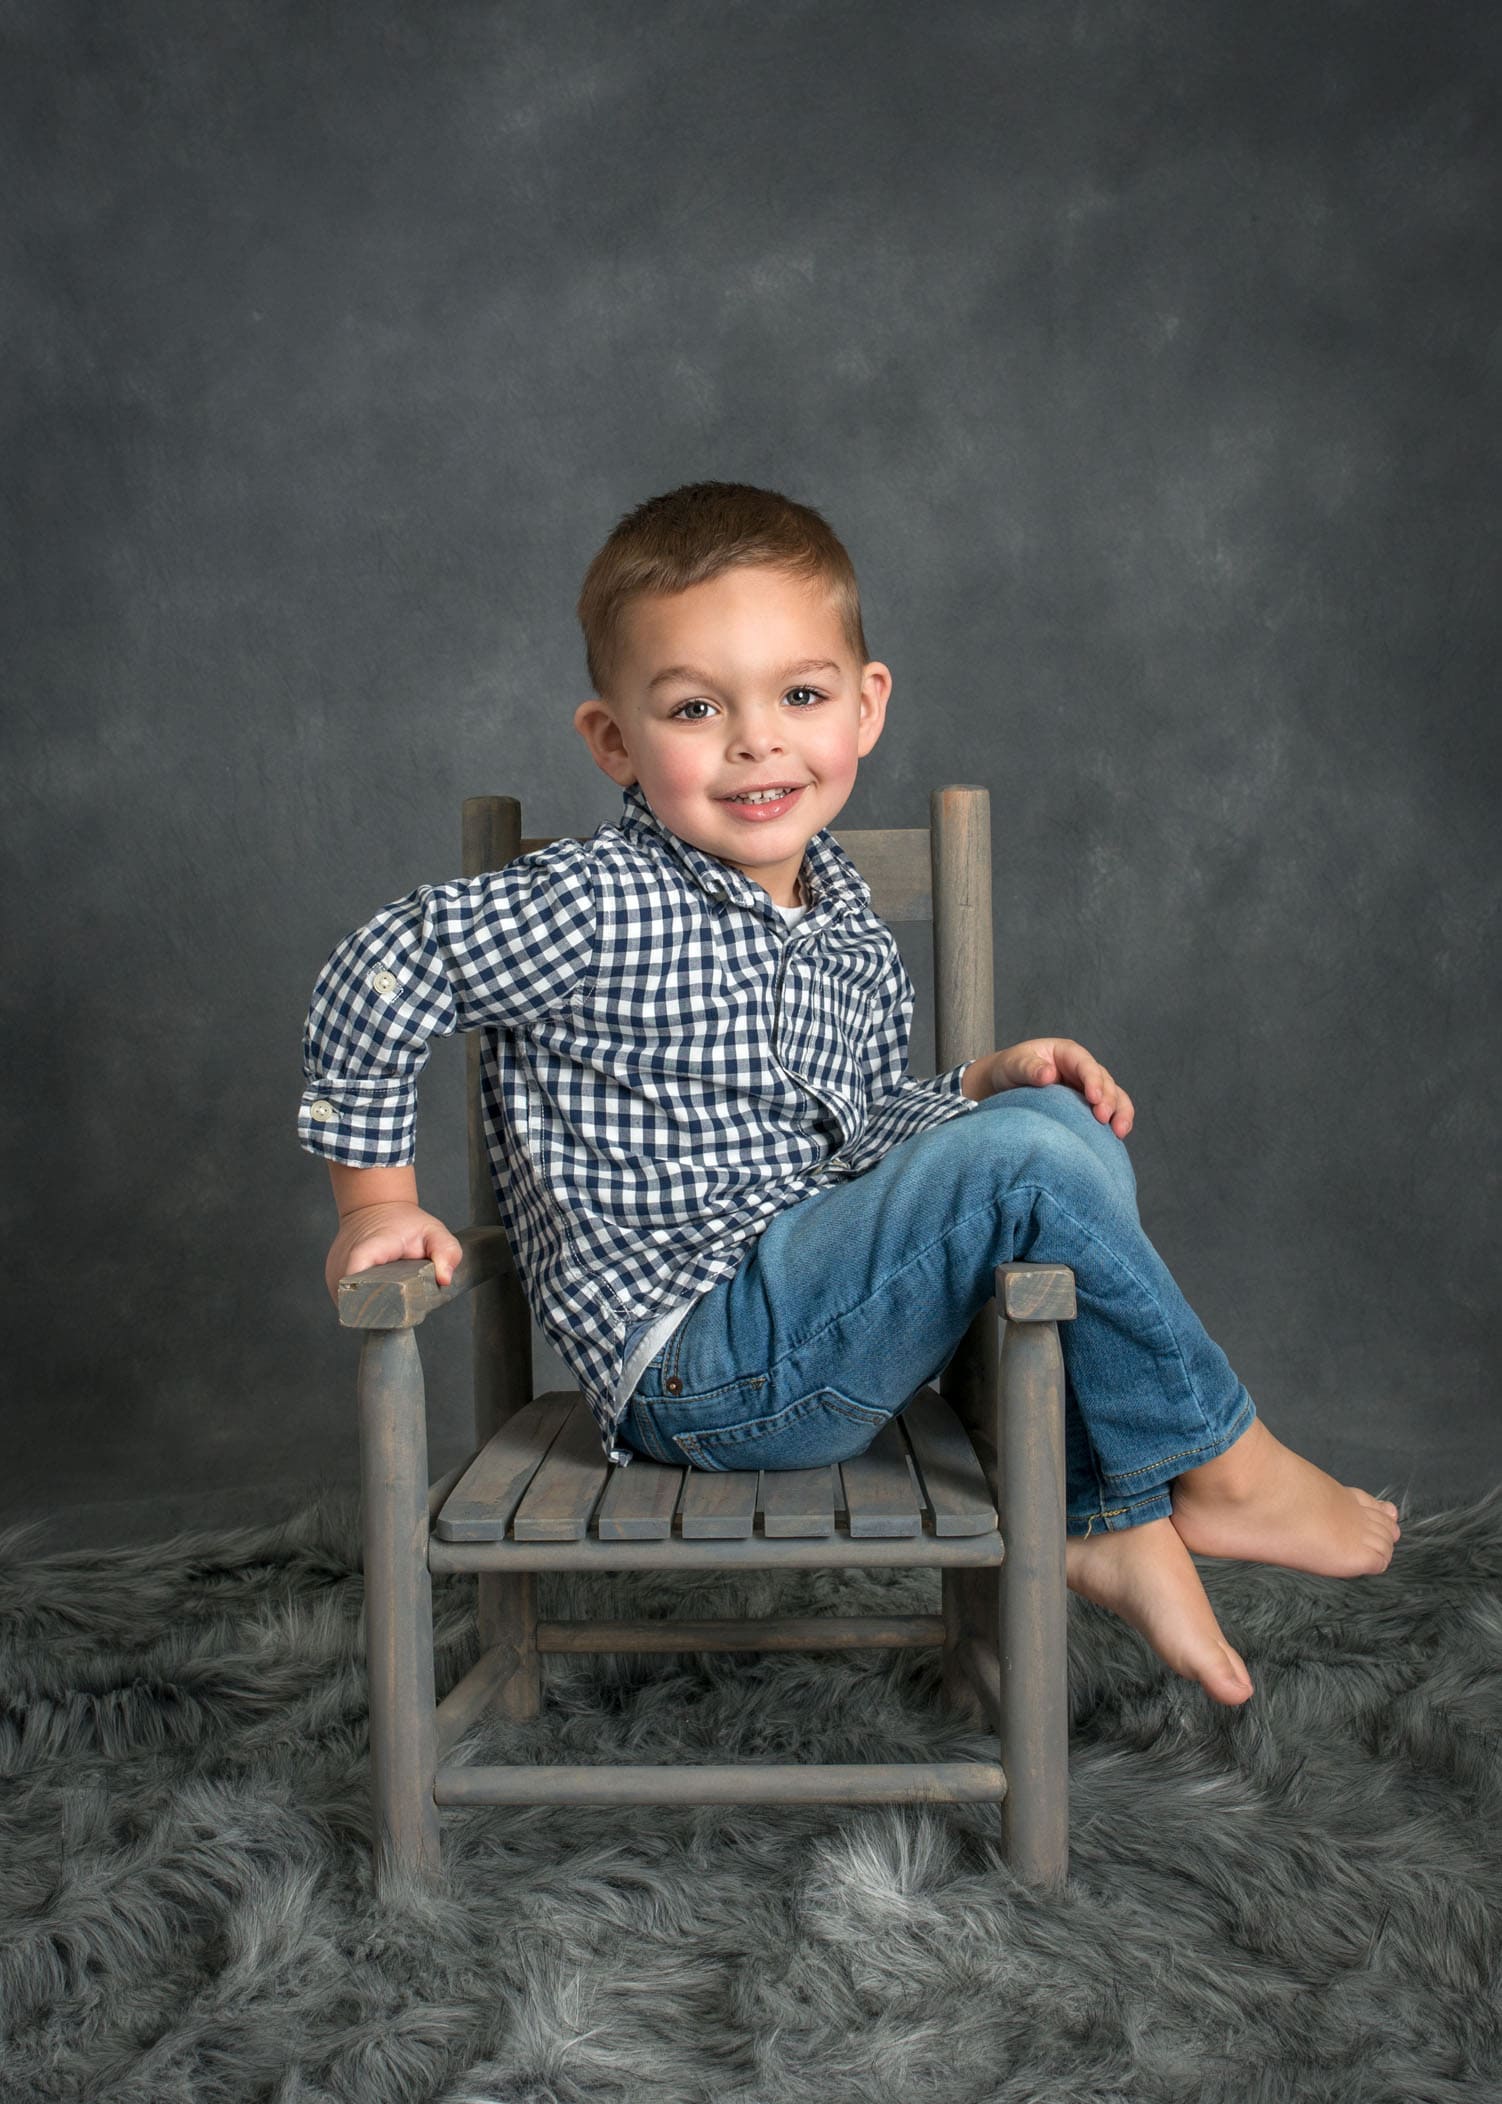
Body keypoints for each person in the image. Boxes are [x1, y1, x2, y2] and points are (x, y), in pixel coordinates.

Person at [299, 480, 1400, 1709]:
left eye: (800, 695)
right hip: (702, 1368)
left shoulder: (843, 928)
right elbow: (381, 965)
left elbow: (856, 1155)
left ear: (865, 707)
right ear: (613, 739)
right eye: (695, 707)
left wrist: (976, 1087)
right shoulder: (593, 902)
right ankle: (1219, 1463)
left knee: (1051, 1126)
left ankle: (1102, 1514)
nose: (756, 741)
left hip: (814, 1318)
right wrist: (370, 1202)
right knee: (1022, 1163)